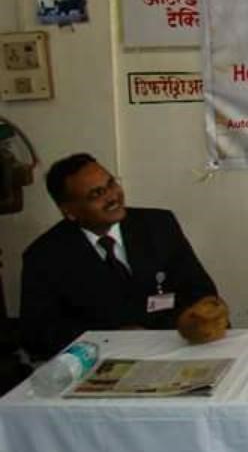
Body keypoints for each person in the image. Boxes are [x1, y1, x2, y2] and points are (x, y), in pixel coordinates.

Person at [19, 153, 218, 357]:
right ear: (69, 211)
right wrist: (113, 337)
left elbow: (201, 292)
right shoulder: (44, 256)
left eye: (111, 183)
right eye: (97, 194)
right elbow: (37, 334)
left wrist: (167, 330)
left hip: (172, 345)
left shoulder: (158, 225)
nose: (112, 197)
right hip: (97, 359)